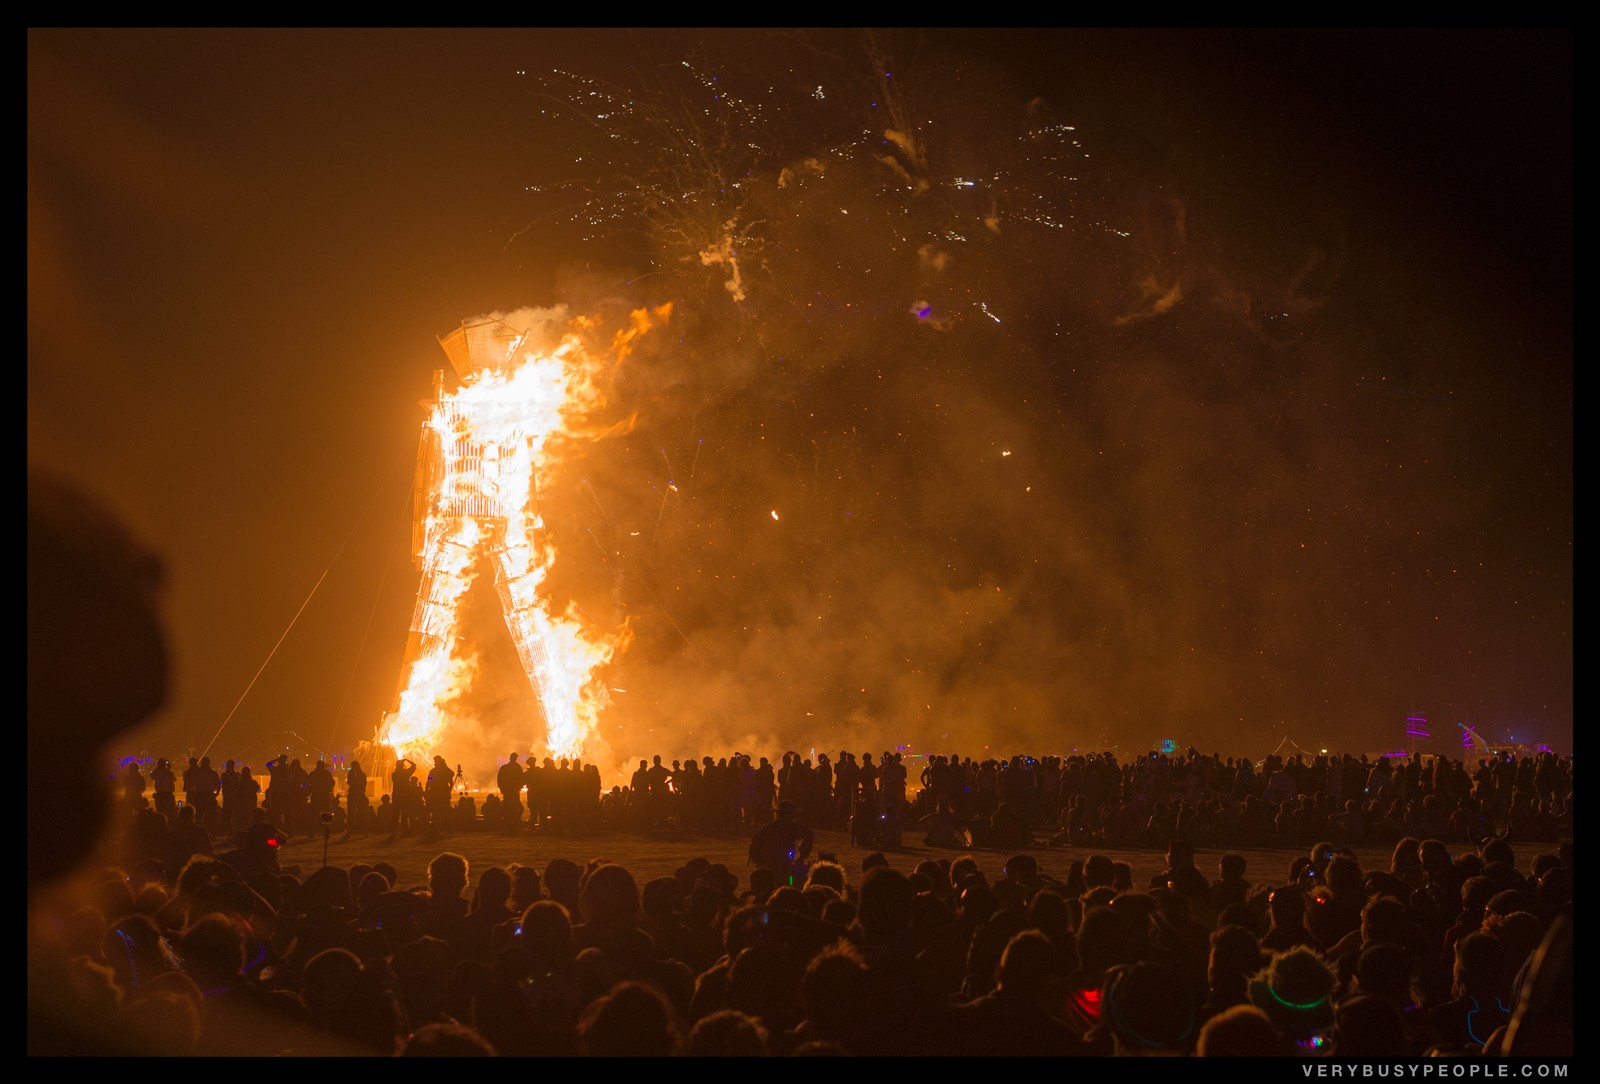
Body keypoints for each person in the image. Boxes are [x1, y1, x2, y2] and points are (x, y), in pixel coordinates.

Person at [749, 800, 814, 887]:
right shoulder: (767, 831)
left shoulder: (802, 831)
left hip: (790, 868)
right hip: (773, 869)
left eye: (789, 814)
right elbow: (755, 850)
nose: (787, 817)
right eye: (785, 814)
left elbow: (806, 848)